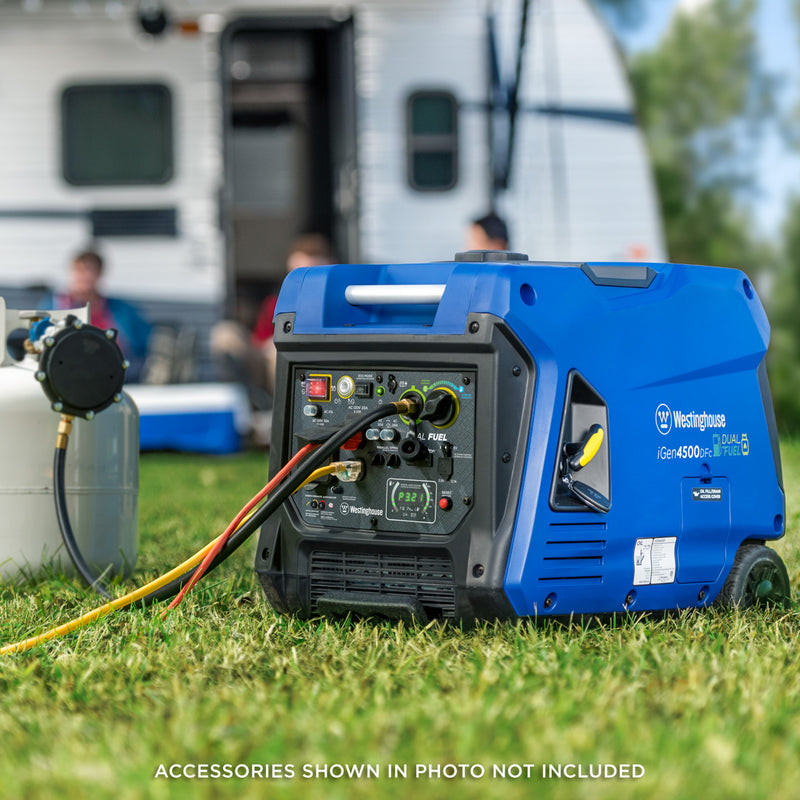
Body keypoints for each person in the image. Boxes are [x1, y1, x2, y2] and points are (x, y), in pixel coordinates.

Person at [210, 233, 335, 441]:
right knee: (225, 335)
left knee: (278, 352)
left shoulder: (336, 301)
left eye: (310, 271)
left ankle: (281, 418)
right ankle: (248, 408)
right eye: (297, 272)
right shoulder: (277, 301)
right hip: (268, 366)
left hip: (310, 368)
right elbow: (261, 339)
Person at [52, 249, 151, 382]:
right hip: (73, 377)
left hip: (120, 377)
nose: (85, 276)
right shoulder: (56, 307)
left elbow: (144, 343)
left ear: (100, 273)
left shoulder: (121, 309)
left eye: (90, 270)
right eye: (80, 270)